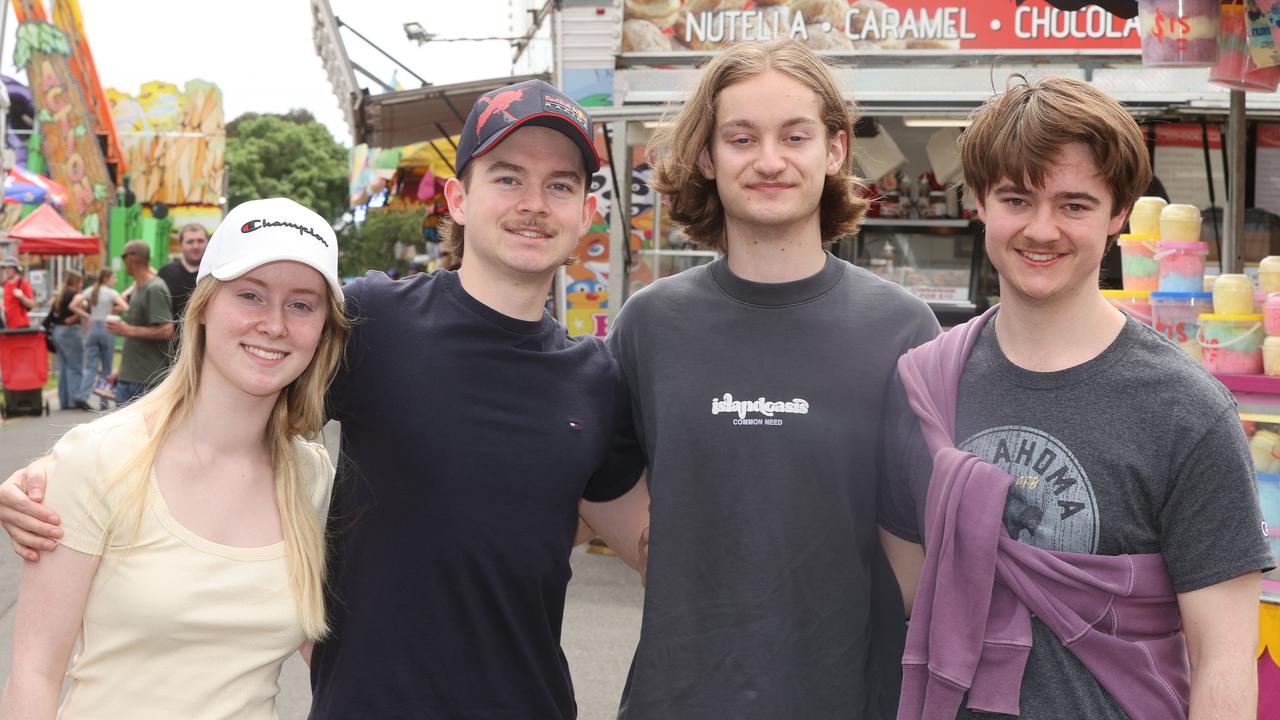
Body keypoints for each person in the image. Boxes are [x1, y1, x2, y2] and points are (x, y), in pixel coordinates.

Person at [0, 79, 650, 719]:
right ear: (456, 197)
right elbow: (232, 381)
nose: (534, 203)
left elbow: (646, 539)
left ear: (586, 212)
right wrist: (58, 470)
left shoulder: (595, 379)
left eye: (560, 184)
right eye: (507, 177)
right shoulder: (373, 323)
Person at [878, 76, 1272, 720]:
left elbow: (1224, 657)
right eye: (1016, 199)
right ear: (979, 201)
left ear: (1119, 213)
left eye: (1075, 205)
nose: (1042, 230)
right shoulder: (924, 388)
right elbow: (915, 598)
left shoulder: (1188, 411)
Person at [606, 40, 938, 719]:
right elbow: (605, 485)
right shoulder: (649, 326)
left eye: (795, 136)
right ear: (707, 156)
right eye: (741, 138)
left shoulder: (901, 330)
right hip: (677, 699)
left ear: (836, 150)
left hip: (849, 700)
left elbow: (918, 551)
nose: (769, 160)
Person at [0, 197, 349, 719]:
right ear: (204, 304)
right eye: (250, 295)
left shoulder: (310, 475)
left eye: (302, 304)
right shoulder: (100, 459)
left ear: (324, 326)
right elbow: (33, 674)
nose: (274, 324)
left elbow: (334, 659)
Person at [108, 240, 174, 405]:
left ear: (130, 258)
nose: (124, 263)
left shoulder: (155, 288)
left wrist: (126, 330)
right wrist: (121, 369)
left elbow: (166, 330)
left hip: (145, 382)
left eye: (123, 257)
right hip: (131, 378)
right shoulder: (139, 287)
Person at [71, 268, 129, 408]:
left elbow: (72, 305)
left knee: (91, 366)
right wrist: (115, 310)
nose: (115, 280)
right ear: (106, 279)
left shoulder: (90, 290)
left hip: (93, 329)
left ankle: (82, 395)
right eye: (114, 278)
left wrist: (87, 316)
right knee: (107, 367)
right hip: (106, 328)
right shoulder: (111, 293)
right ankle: (104, 401)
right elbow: (126, 307)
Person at [47, 269, 90, 411]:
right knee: (75, 367)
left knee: (64, 367)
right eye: (81, 281)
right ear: (77, 282)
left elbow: (53, 309)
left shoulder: (60, 295)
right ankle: (73, 400)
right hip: (70, 332)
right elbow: (74, 314)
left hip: (57, 332)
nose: (82, 284)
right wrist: (83, 314)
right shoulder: (75, 296)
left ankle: (64, 400)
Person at [157, 222, 209, 323]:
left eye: (200, 241)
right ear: (181, 245)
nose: (195, 246)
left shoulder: (214, 273)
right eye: (190, 242)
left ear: (207, 242)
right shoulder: (166, 273)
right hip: (172, 338)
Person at [1, 256, 34, 329]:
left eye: (10, 268)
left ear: (16, 269)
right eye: (5, 268)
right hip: (7, 325)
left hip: (21, 325)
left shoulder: (23, 283)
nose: (7, 270)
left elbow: (31, 304)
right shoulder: (5, 284)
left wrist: (22, 296)